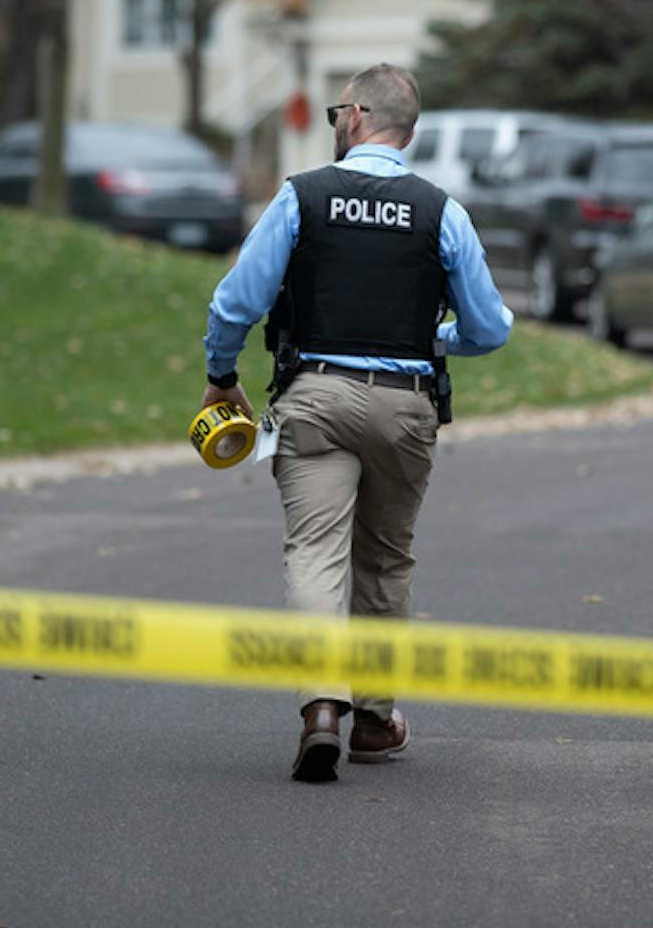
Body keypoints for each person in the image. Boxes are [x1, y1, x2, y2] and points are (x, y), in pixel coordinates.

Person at [201, 63, 513, 782]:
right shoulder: (442, 212)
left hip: (313, 397)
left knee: (314, 551)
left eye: (340, 109)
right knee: (384, 558)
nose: (336, 120)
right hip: (405, 406)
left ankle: (321, 709)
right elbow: (490, 326)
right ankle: (374, 720)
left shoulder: (301, 197)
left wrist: (222, 374)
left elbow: (236, 301)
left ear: (360, 115)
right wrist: (430, 337)